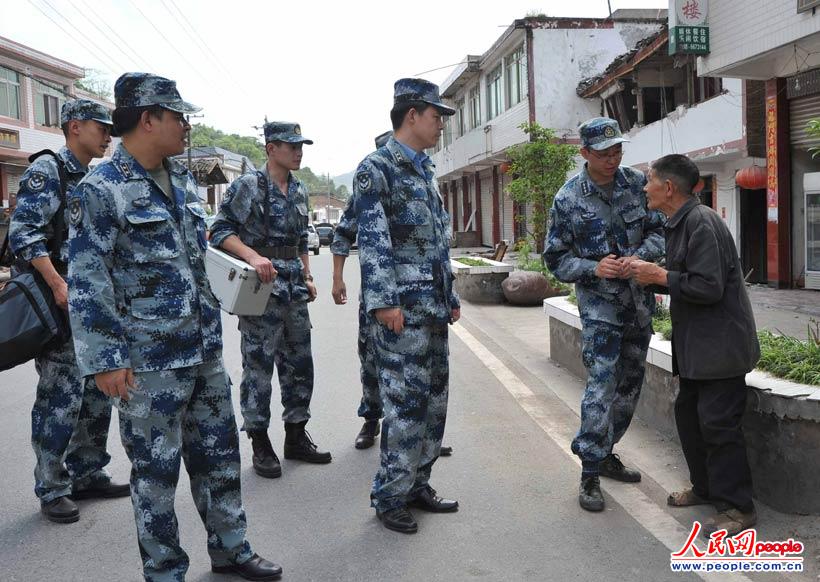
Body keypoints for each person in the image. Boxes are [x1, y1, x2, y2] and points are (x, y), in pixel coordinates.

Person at [67, 73, 282, 581]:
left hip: (202, 349)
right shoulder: (102, 189)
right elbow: (87, 279)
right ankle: (164, 569)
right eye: (179, 116)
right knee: (156, 474)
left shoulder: (182, 182)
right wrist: (105, 360)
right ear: (148, 119)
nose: (186, 126)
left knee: (220, 457)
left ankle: (231, 548)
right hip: (146, 363)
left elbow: (193, 258)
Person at [9, 98, 130, 524]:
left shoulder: (92, 177)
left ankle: (87, 471)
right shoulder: (48, 171)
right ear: (75, 127)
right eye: (101, 127)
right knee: (60, 397)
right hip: (59, 302)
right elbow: (23, 236)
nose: (108, 136)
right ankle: (52, 486)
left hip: (91, 302)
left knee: (98, 392)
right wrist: (59, 283)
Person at [629, 154, 759, 537]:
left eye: (648, 180)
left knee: (719, 427)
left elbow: (708, 286)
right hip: (697, 349)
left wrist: (660, 274)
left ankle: (738, 507)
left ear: (668, 187)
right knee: (691, 420)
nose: (644, 188)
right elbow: (682, 277)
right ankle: (706, 488)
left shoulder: (702, 224)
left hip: (720, 349)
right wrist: (646, 276)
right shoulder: (679, 223)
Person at [353, 78, 460, 534]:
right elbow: (374, 243)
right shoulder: (376, 168)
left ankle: (419, 483)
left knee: (435, 401)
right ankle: (390, 494)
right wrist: (384, 303)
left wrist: (449, 293)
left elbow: (437, 244)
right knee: (405, 405)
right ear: (411, 115)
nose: (441, 124)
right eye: (436, 116)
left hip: (432, 309)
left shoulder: (424, 171)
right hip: (401, 314)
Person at [544, 117, 665, 512]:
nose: (613, 159)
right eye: (603, 153)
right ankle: (590, 470)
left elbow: (659, 231)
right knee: (601, 384)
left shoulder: (637, 183)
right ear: (584, 153)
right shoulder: (568, 198)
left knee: (630, 383)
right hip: (600, 308)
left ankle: (606, 449)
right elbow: (556, 259)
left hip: (639, 302)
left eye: (617, 151)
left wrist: (640, 257)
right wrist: (593, 268)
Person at [210, 121, 330, 479]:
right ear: (271, 148)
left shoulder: (300, 190)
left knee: (299, 364)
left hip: (292, 287)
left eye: (301, 145)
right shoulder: (248, 186)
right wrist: (251, 256)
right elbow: (219, 231)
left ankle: (295, 435)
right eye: (291, 146)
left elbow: (299, 239)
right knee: (258, 367)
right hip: (260, 289)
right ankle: (260, 441)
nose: (299, 151)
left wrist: (307, 275)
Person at [331, 130, 452, 455]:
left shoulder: (425, 180)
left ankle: (420, 435)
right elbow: (344, 233)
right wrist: (337, 278)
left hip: (419, 295)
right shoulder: (371, 183)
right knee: (372, 360)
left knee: (420, 372)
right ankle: (371, 418)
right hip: (380, 294)